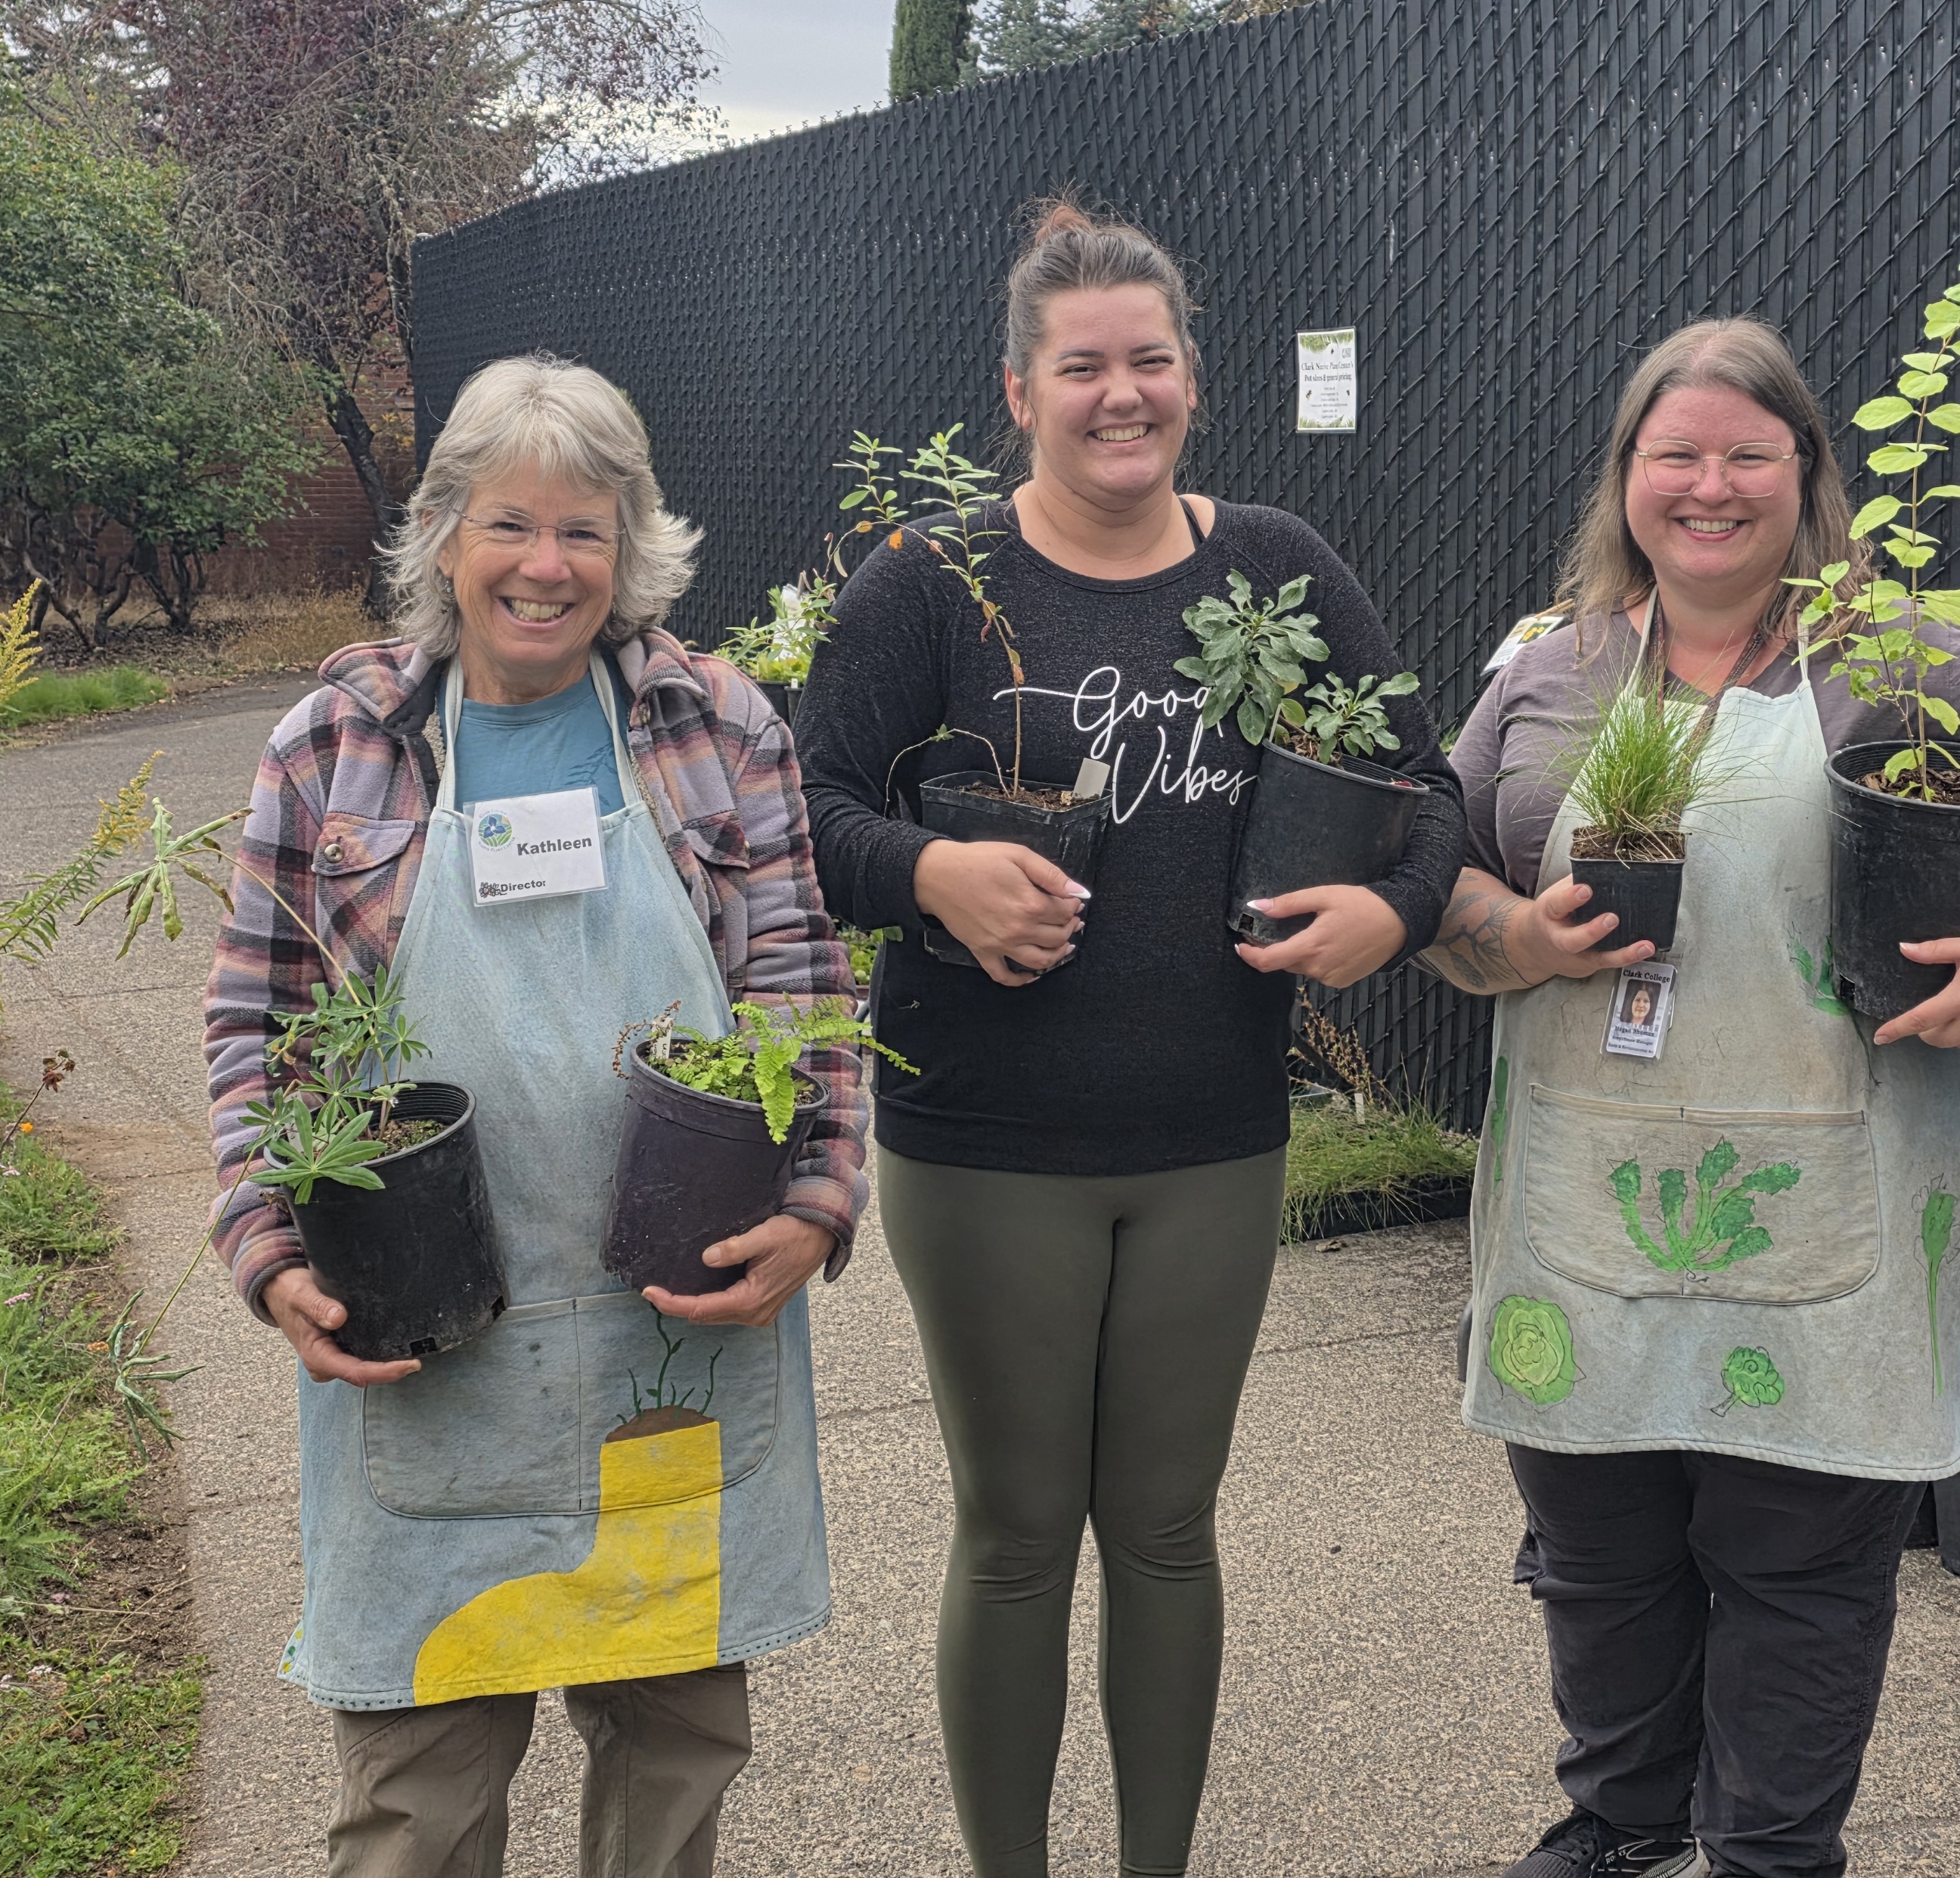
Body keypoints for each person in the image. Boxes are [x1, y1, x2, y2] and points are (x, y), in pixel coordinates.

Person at [1424, 318, 1960, 1878]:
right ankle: (1621, 1830)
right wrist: (1501, 937)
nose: (1706, 486)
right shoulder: (1544, 670)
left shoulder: (1896, 658)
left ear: (1804, 475)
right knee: (1602, 1559)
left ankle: (1769, 1856)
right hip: (1579, 1203)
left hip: (1831, 1201)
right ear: (1626, 476)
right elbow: (1423, 868)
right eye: (1671, 454)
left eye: (1742, 455)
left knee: (1794, 1576)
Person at [796, 202, 1465, 1878]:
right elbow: (792, 815)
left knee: (1165, 1531)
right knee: (1018, 1534)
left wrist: (1390, 912)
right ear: (1018, 390)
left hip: (1211, 1136)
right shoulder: (931, 583)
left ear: (1191, 378)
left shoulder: (1274, 571)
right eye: (1079, 365)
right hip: (984, 1141)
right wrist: (933, 868)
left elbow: (1424, 795)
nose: (1120, 393)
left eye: (1147, 360)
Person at [204, 356, 865, 1877]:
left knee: (673, 1757)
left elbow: (803, 990)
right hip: (429, 1347)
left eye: (586, 530)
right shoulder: (336, 745)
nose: (547, 567)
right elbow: (254, 1028)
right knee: (416, 1790)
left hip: (670, 1341)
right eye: (512, 525)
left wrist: (817, 1203)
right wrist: (265, 1241)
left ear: (631, 547)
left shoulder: (718, 727)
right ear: (444, 535)